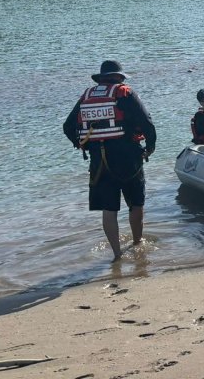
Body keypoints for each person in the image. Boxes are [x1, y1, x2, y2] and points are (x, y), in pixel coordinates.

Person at [62, 60, 157, 261]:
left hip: (99, 161)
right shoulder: (125, 93)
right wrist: (150, 148)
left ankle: (117, 254)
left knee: (109, 209)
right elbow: (147, 123)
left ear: (101, 78)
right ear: (120, 77)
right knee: (136, 204)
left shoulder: (86, 97)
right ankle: (137, 243)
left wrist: (84, 145)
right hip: (129, 158)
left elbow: (68, 127)